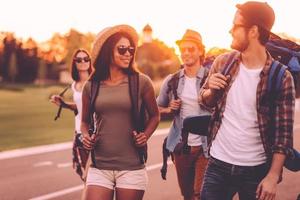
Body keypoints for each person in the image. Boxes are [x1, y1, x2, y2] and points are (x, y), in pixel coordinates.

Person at [199, 2, 295, 200]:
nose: (230, 30)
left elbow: (283, 135)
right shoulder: (223, 62)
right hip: (218, 165)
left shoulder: (281, 77)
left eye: (235, 26)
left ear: (253, 31)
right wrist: (210, 92)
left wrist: (272, 176)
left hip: (256, 171)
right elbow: (204, 101)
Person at [80, 24, 160, 200]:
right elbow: (84, 122)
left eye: (130, 49)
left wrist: (145, 135)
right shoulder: (91, 86)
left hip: (131, 167)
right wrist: (85, 136)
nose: (128, 54)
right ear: (108, 51)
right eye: (122, 49)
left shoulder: (142, 82)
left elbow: (155, 116)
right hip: (99, 166)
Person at [157, 29, 210, 200]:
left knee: (200, 194)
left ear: (200, 51)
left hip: (206, 147)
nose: (186, 53)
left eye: (191, 49)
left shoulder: (211, 77)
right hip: (181, 148)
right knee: (187, 195)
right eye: (183, 49)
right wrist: (169, 109)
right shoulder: (171, 80)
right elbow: (156, 109)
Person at [50, 49, 92, 178]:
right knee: (84, 175)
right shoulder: (75, 85)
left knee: (92, 177)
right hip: (78, 133)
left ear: (90, 62)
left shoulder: (95, 83)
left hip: (92, 134)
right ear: (74, 63)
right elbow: (80, 107)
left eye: (86, 59)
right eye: (79, 60)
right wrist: (63, 104)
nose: (83, 61)